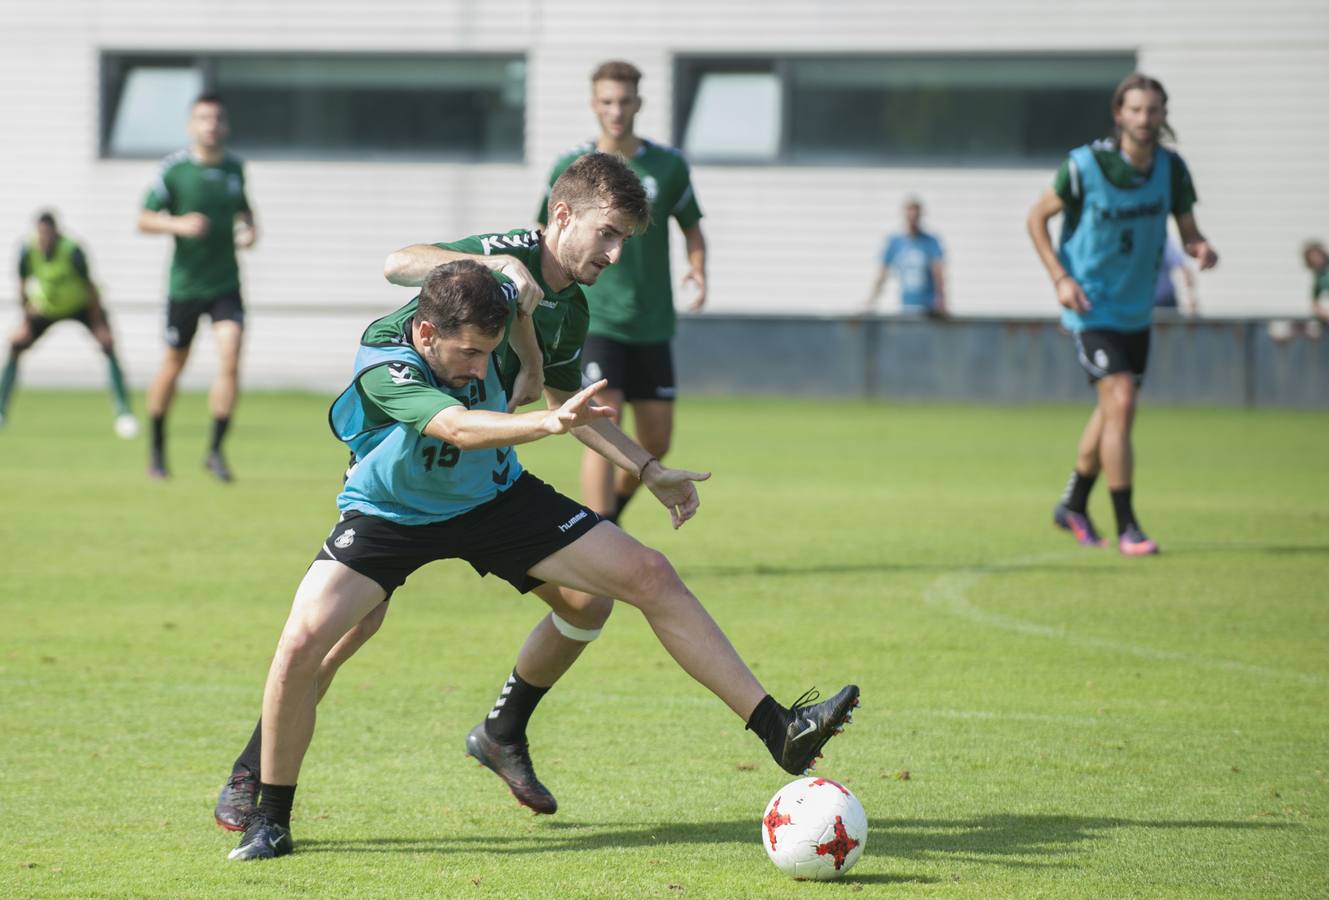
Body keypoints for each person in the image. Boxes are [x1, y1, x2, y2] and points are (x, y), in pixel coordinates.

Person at [224, 154, 858, 862]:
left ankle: (777, 727)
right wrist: (502, 265)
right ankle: (267, 806)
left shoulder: (570, 309)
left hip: (492, 492)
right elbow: (401, 264)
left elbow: (568, 407)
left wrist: (647, 469)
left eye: (625, 243)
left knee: (637, 581)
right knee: (316, 643)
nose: (615, 256)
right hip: (392, 508)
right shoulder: (471, 286)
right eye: (608, 235)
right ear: (562, 216)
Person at [1027, 73, 1219, 556]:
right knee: (1122, 400)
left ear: (1163, 115)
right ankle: (1129, 525)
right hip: (1090, 308)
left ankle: (1072, 503)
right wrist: (1059, 278)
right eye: (1135, 110)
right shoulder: (1083, 167)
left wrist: (1200, 247)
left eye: (1152, 110)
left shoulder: (1171, 170)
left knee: (1113, 410)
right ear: (1119, 114)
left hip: (1138, 311)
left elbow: (1188, 228)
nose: (1144, 119)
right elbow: (1035, 219)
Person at [536, 60, 707, 525]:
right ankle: (600, 535)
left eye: (625, 100)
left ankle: (610, 523)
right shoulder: (572, 165)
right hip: (596, 317)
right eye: (607, 101)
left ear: (639, 103)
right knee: (601, 423)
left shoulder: (667, 165)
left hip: (652, 320)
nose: (616, 110)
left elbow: (692, 227)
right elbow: (545, 228)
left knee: (657, 440)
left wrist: (698, 269)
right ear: (594, 105)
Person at [137, 93, 257, 482]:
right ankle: (157, 449)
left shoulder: (235, 168)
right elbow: (143, 218)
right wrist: (178, 224)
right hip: (185, 287)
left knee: (230, 357)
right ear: (192, 125)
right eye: (203, 118)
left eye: (217, 118)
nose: (211, 125)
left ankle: (216, 451)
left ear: (225, 126)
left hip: (225, 284)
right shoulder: (175, 170)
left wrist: (251, 228)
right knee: (174, 364)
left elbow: (245, 209)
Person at [0, 211, 137, 436]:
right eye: (40, 233)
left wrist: (98, 324)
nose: (44, 239)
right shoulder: (27, 250)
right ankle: (1, 411)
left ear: (56, 232)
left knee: (108, 345)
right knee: (16, 344)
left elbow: (90, 287)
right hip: (47, 307)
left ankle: (124, 413)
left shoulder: (72, 250)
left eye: (47, 234)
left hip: (81, 306)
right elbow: (23, 285)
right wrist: (25, 320)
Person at [865, 196, 948, 317]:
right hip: (906, 305)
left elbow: (938, 272)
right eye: (910, 214)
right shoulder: (895, 242)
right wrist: (872, 301)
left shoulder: (930, 241)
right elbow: (883, 274)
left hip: (928, 307)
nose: (912, 219)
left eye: (916, 215)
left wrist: (941, 300)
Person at [1152, 236, 1199, 316]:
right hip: (1141, 303)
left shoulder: (1163, 243)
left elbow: (1184, 269)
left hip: (1165, 303)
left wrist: (1190, 296)